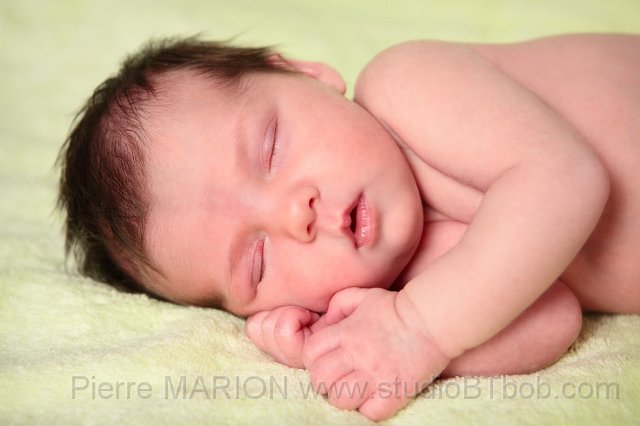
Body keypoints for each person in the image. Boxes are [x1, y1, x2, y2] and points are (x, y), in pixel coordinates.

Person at [57, 33, 640, 420]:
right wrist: (345, 342)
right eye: (258, 262)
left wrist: (420, 331)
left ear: (305, 74)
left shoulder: (408, 84)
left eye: (270, 149)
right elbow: (551, 316)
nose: (294, 214)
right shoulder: (419, 279)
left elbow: (565, 177)